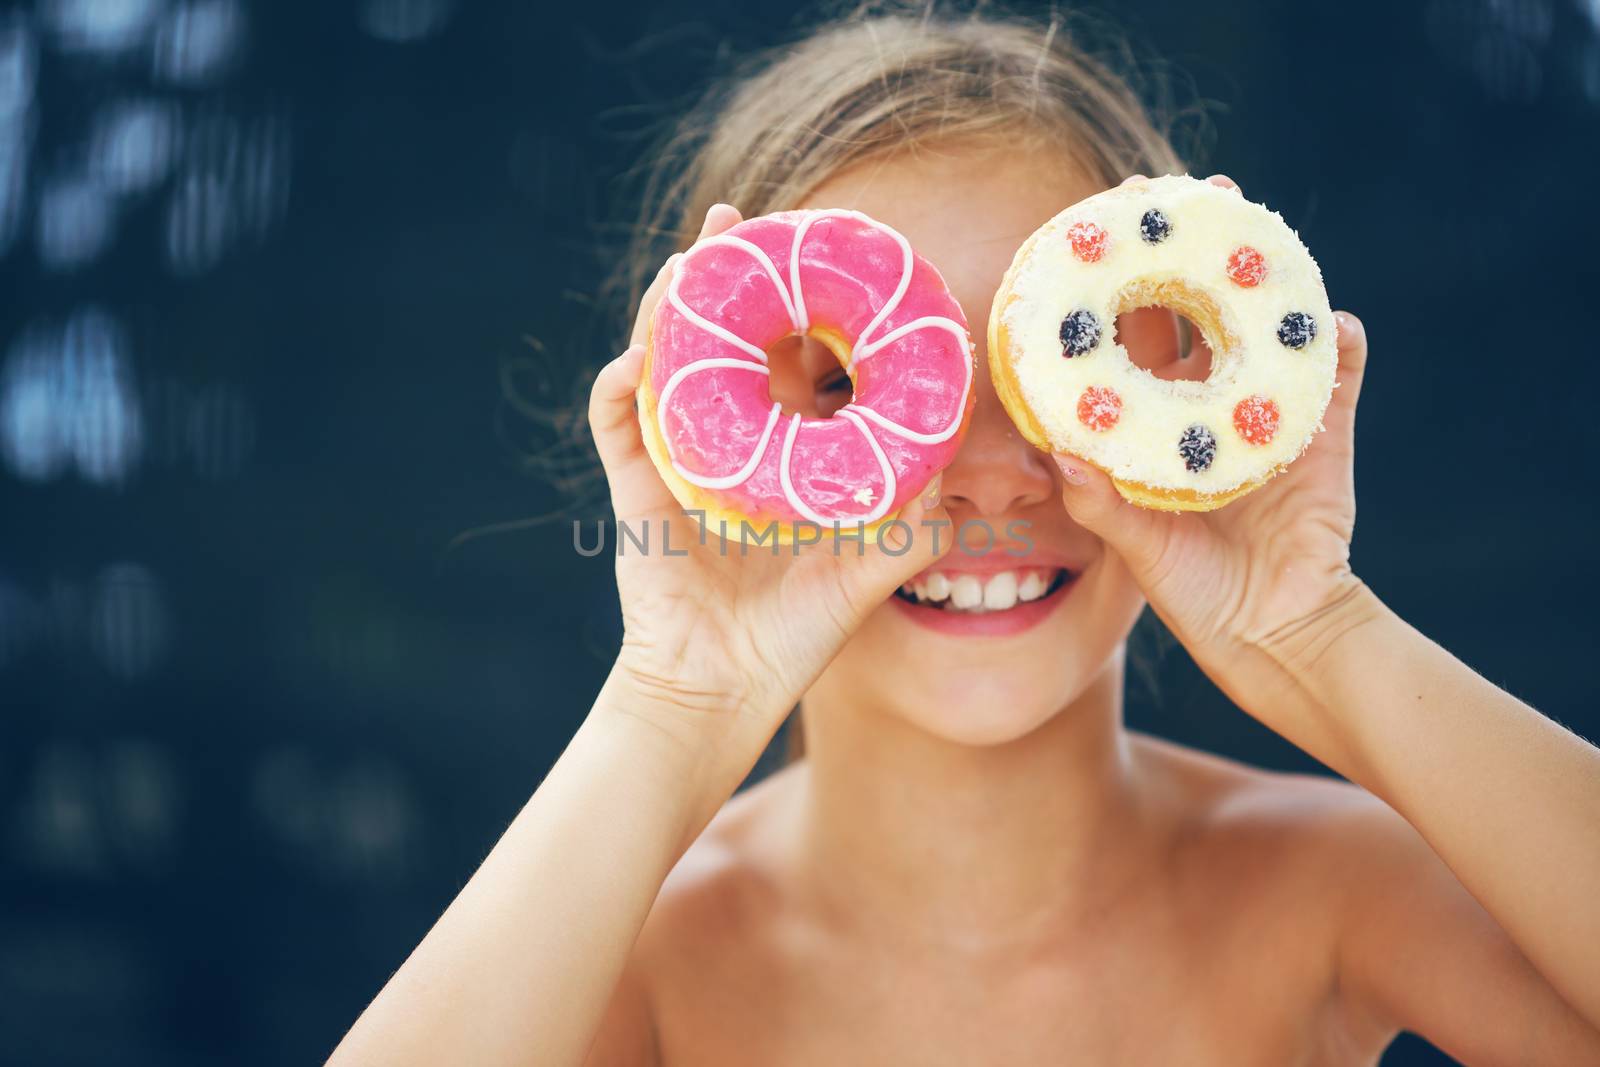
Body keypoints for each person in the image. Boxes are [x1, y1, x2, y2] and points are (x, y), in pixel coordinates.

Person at [331, 6, 1600, 1063]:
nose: (990, 480)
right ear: (710, 434)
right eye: (851, 388)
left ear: (1193, 393)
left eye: (1062, 376)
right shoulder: (618, 956)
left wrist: (1318, 630)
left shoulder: (1332, 890)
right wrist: (671, 702)